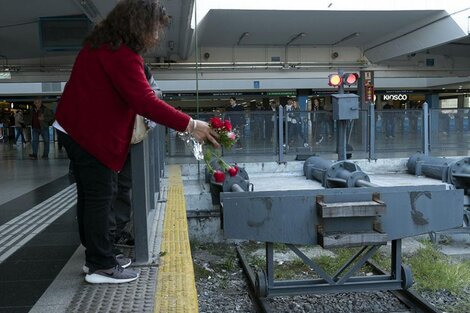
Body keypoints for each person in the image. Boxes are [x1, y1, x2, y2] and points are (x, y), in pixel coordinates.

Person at [53, 0, 219, 284]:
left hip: (74, 130)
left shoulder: (100, 46)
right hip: (90, 137)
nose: (156, 36)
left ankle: (97, 255)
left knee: (91, 197)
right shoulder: (122, 55)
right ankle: (100, 266)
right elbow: (145, 101)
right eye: (154, 29)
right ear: (138, 24)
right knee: (100, 198)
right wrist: (191, 125)